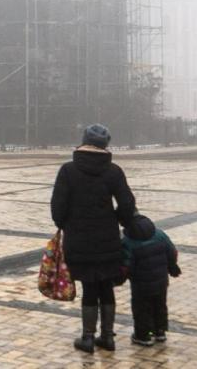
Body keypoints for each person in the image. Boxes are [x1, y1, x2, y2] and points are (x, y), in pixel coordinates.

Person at [51, 124, 136, 354]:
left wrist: (66, 223)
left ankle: (87, 337)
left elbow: (57, 209)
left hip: (78, 239)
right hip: (107, 238)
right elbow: (128, 205)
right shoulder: (114, 171)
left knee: (90, 286)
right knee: (106, 286)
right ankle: (107, 336)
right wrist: (117, 220)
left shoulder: (68, 170)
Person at [121, 214, 182, 347]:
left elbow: (126, 265)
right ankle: (160, 331)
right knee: (160, 305)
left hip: (140, 284)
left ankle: (143, 335)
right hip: (161, 281)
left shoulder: (128, 242)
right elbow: (172, 252)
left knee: (141, 308)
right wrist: (172, 266)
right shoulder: (160, 234)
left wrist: (120, 278)